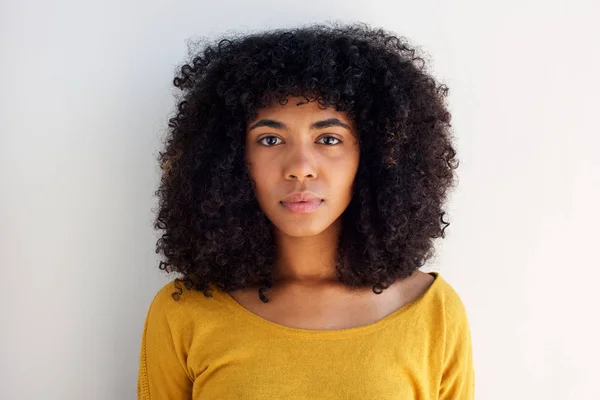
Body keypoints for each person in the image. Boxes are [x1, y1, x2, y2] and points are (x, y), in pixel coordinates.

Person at [137, 21, 474, 399]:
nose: (300, 166)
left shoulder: (433, 313)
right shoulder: (185, 312)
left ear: (375, 156)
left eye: (328, 139)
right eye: (270, 139)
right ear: (231, 158)